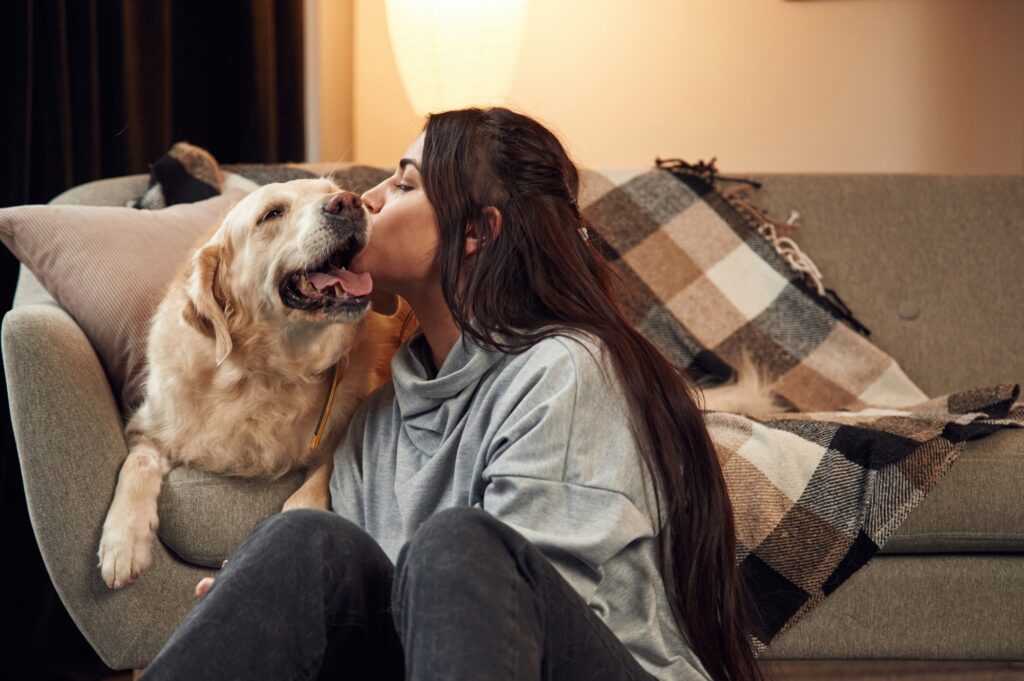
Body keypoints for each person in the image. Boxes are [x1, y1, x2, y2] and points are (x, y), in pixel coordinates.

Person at [140, 107, 764, 681]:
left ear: (475, 233)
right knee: (300, 545)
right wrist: (272, 599)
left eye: (404, 184)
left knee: (456, 542)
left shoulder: (564, 371)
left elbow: (529, 621)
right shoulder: (381, 415)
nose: (367, 199)